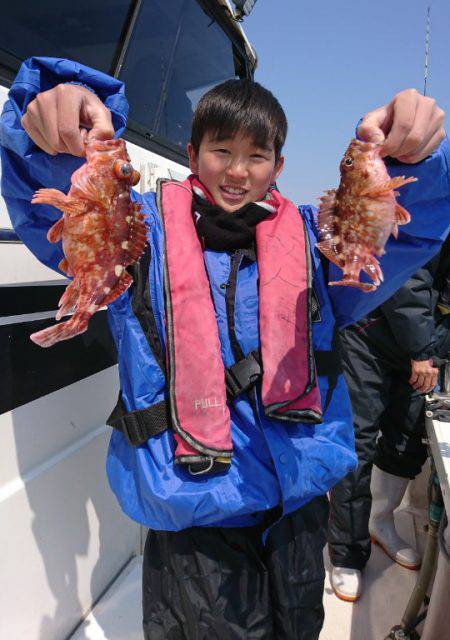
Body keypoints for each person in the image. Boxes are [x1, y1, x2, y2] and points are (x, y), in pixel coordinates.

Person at [0, 56, 449, 640]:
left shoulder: (321, 247)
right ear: (192, 155)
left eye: (257, 156)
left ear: (278, 166)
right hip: (195, 523)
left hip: (297, 514)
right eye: (221, 150)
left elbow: (409, 232)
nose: (238, 171)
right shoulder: (136, 238)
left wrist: (418, 160)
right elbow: (53, 203)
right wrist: (59, 129)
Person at [328, 237, 450, 603]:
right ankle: (347, 552)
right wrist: (421, 350)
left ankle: (380, 521)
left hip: (426, 339)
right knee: (358, 440)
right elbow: (408, 274)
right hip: (370, 330)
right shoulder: (433, 208)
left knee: (408, 436)